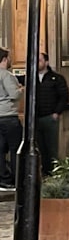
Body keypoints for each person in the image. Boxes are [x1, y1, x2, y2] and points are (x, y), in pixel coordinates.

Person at [36, 52, 69, 175]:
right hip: (36, 119)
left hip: (50, 117)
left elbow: (64, 96)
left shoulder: (56, 78)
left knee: (52, 148)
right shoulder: (31, 78)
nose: (37, 63)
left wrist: (56, 112)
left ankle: (54, 174)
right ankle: (44, 173)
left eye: (39, 60)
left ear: (46, 62)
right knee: (40, 148)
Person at [0, 47, 23, 190]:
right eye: (9, 57)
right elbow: (14, 95)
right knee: (16, 149)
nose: (10, 60)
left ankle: (3, 179)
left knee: (0, 150)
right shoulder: (6, 75)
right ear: (4, 59)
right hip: (9, 117)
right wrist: (20, 89)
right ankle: (16, 179)